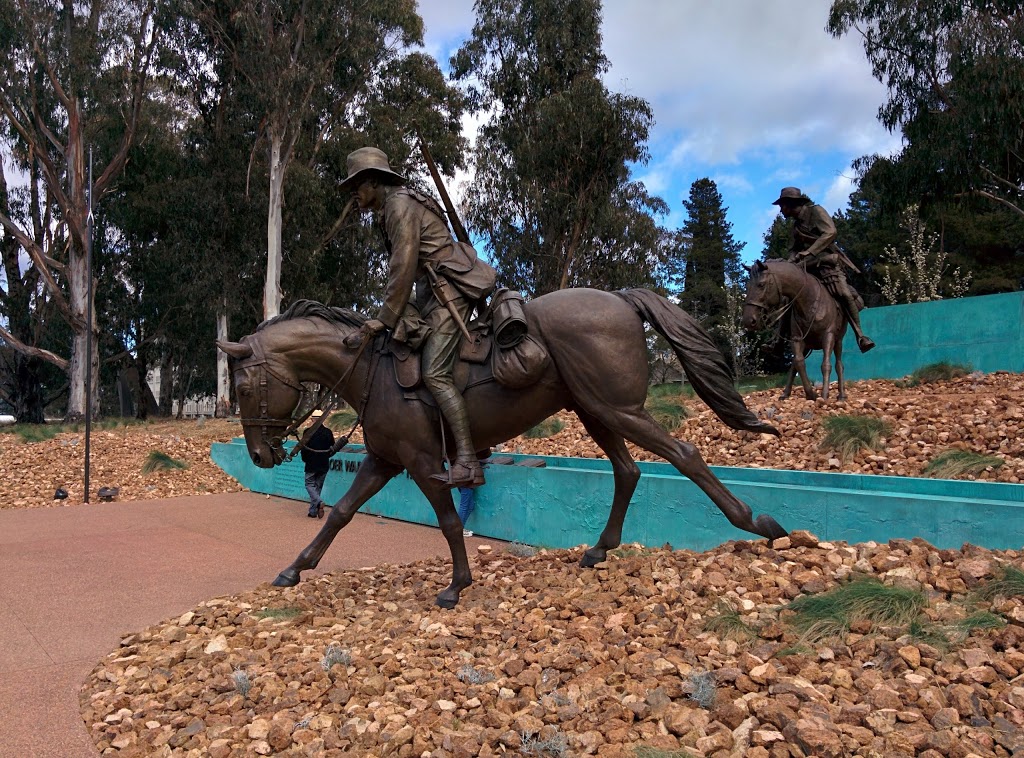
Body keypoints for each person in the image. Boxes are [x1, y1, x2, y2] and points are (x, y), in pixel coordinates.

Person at [339, 146, 497, 488]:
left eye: (358, 186)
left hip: (449, 289)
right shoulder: (393, 206)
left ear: (374, 181)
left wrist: (384, 317)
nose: (355, 194)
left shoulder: (398, 204)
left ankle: (469, 460)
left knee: (435, 372)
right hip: (432, 291)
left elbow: (403, 264)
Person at [772, 186, 875, 352]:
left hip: (826, 263)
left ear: (790, 204)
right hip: (806, 267)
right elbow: (793, 249)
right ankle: (777, 340)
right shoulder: (795, 227)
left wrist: (809, 251)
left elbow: (830, 232)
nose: (781, 210)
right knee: (788, 298)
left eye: (782, 206)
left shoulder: (816, 211)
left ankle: (860, 336)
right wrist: (790, 261)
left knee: (843, 293)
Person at [300, 410, 335, 519]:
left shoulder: (307, 432)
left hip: (311, 463)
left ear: (312, 420)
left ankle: (319, 502)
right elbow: (332, 447)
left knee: (309, 484)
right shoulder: (328, 432)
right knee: (317, 487)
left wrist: (305, 459)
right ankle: (313, 512)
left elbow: (303, 448)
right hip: (324, 464)